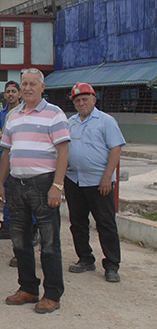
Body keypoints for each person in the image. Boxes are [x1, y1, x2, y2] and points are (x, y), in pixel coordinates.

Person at [0, 68, 70, 314]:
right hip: (17, 185)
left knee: (49, 243)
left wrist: (57, 186)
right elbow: (7, 152)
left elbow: (63, 151)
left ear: (42, 87)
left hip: (43, 185)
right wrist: (0, 184)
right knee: (19, 241)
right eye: (23, 83)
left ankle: (52, 294)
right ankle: (28, 288)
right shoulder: (13, 116)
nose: (27, 88)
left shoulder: (54, 114)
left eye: (32, 84)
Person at [65, 82, 125, 283]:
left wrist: (107, 176)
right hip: (74, 180)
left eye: (85, 99)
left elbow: (115, 149)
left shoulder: (106, 121)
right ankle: (85, 258)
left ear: (94, 100)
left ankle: (112, 265)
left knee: (106, 224)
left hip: (100, 181)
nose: (81, 103)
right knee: (78, 223)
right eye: (77, 100)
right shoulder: (70, 122)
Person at [0, 81, 23, 242]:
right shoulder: (1, 114)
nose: (10, 94)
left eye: (13, 91)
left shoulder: (24, 112)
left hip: (20, 160)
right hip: (5, 157)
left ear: (19, 94)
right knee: (4, 190)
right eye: (8, 91)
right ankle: (7, 225)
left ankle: (31, 229)